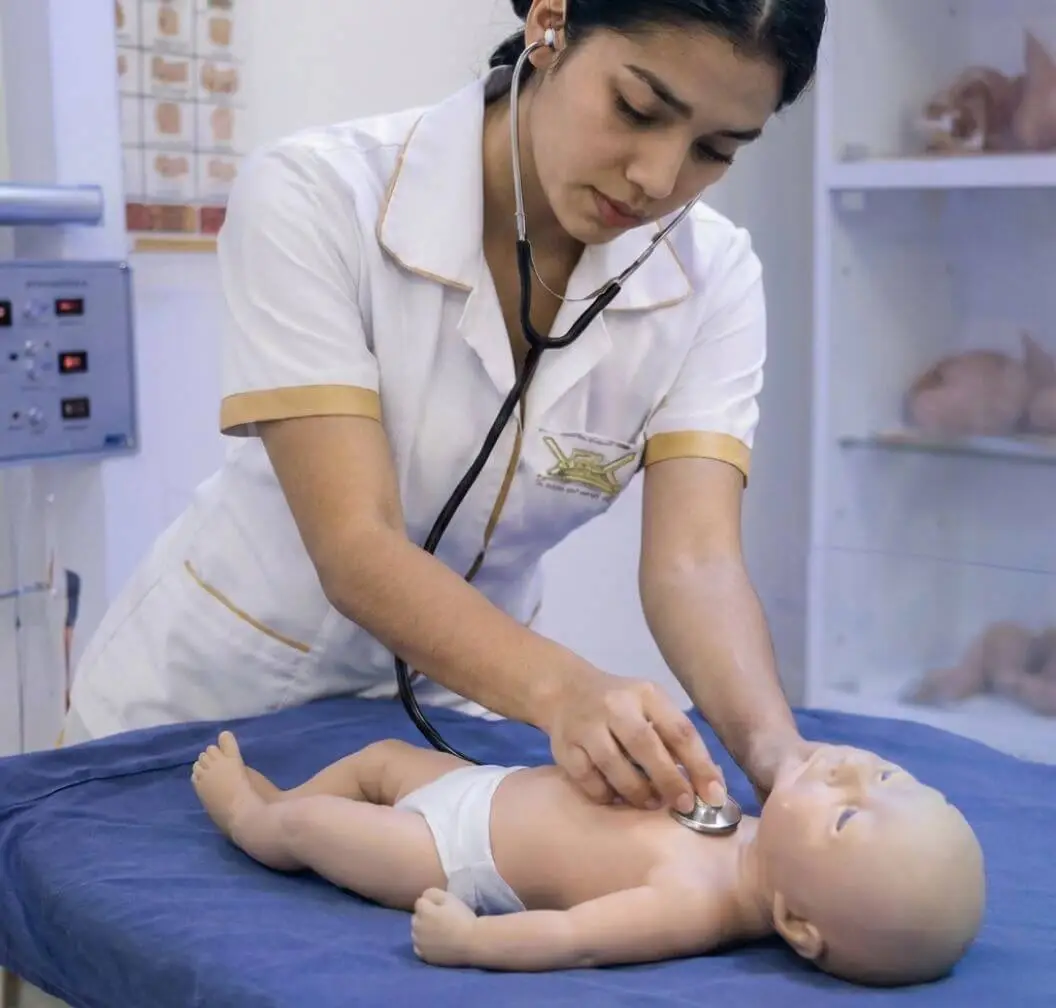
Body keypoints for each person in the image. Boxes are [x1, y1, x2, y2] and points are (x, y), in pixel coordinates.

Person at [64, 0, 828, 816]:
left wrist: (778, 756)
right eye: (636, 110)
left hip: (459, 723)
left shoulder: (714, 277)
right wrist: (568, 690)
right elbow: (357, 544)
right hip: (212, 709)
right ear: (550, 25)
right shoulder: (320, 195)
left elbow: (696, 563)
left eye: (715, 151)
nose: (658, 179)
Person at [191, 731, 986, 984]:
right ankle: (284, 793)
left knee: (320, 830)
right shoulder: (746, 829)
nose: (850, 771)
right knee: (381, 757)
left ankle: (254, 821)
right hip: (488, 786)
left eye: (846, 815)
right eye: (885, 773)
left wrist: (474, 943)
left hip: (453, 852)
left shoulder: (694, 904)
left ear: (797, 924)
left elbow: (578, 936)